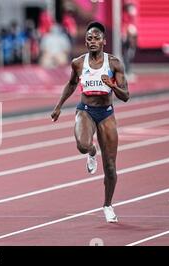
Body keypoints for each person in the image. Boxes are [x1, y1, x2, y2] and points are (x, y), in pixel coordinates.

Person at [50, 22, 129, 223]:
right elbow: (71, 84)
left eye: (96, 38)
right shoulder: (78, 63)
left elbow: (126, 95)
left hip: (106, 113)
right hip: (85, 110)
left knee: (110, 167)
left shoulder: (114, 64)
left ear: (104, 41)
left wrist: (112, 85)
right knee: (83, 145)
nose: (92, 41)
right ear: (86, 41)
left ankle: (107, 205)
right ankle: (92, 152)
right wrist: (59, 106)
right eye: (89, 38)